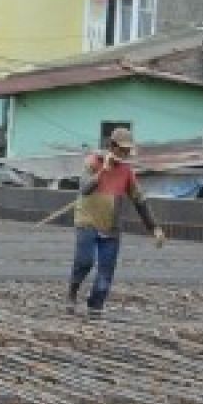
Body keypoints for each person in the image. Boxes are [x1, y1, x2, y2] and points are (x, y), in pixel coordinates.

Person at [68, 127, 165, 317]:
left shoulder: (127, 172)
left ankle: (95, 306)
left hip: (110, 226)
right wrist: (103, 170)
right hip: (87, 221)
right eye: (122, 150)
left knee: (105, 272)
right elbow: (85, 189)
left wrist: (154, 228)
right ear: (112, 146)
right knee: (85, 262)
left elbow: (139, 200)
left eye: (128, 151)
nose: (125, 154)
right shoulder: (92, 162)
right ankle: (72, 293)